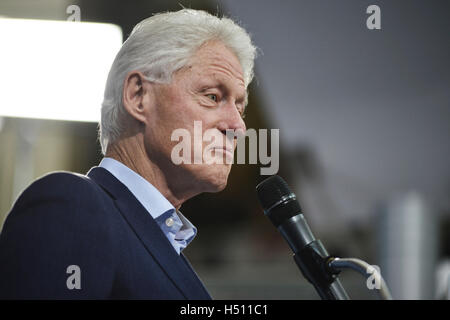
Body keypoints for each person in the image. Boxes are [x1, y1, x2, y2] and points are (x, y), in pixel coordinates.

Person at [0, 9, 257, 299]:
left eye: (240, 106)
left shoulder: (159, 244)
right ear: (138, 96)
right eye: (212, 96)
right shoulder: (72, 207)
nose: (238, 126)